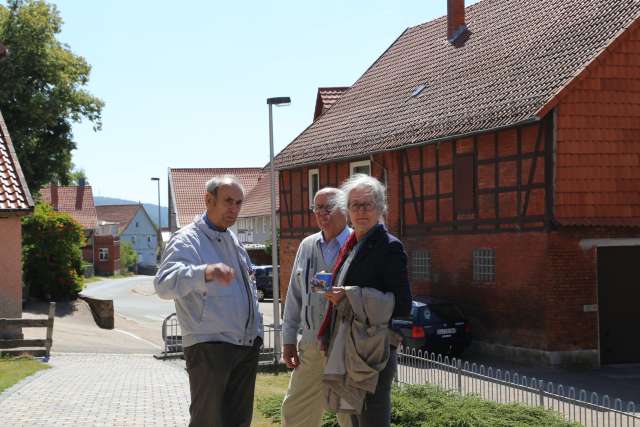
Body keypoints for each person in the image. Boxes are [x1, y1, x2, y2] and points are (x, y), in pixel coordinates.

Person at [154, 175, 262, 427]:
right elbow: (163, 284)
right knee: (207, 422)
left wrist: (256, 335)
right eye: (227, 201)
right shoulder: (186, 240)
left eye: (238, 203)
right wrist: (204, 272)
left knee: (238, 423)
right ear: (208, 200)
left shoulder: (233, 241)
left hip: (245, 346)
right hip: (209, 347)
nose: (233, 209)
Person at [322, 174, 412, 427]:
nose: (361, 211)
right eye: (355, 205)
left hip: (374, 350)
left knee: (372, 418)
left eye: (368, 204)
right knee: (353, 419)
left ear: (381, 208)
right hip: (350, 344)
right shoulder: (352, 246)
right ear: (347, 211)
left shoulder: (389, 246)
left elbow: (403, 304)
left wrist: (350, 294)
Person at [281, 187, 353, 427]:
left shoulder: (359, 245)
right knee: (295, 413)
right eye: (317, 207)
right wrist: (288, 339)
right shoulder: (307, 245)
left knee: (351, 416)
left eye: (329, 206)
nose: (322, 212)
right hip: (311, 348)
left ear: (345, 209)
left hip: (346, 350)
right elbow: (294, 296)